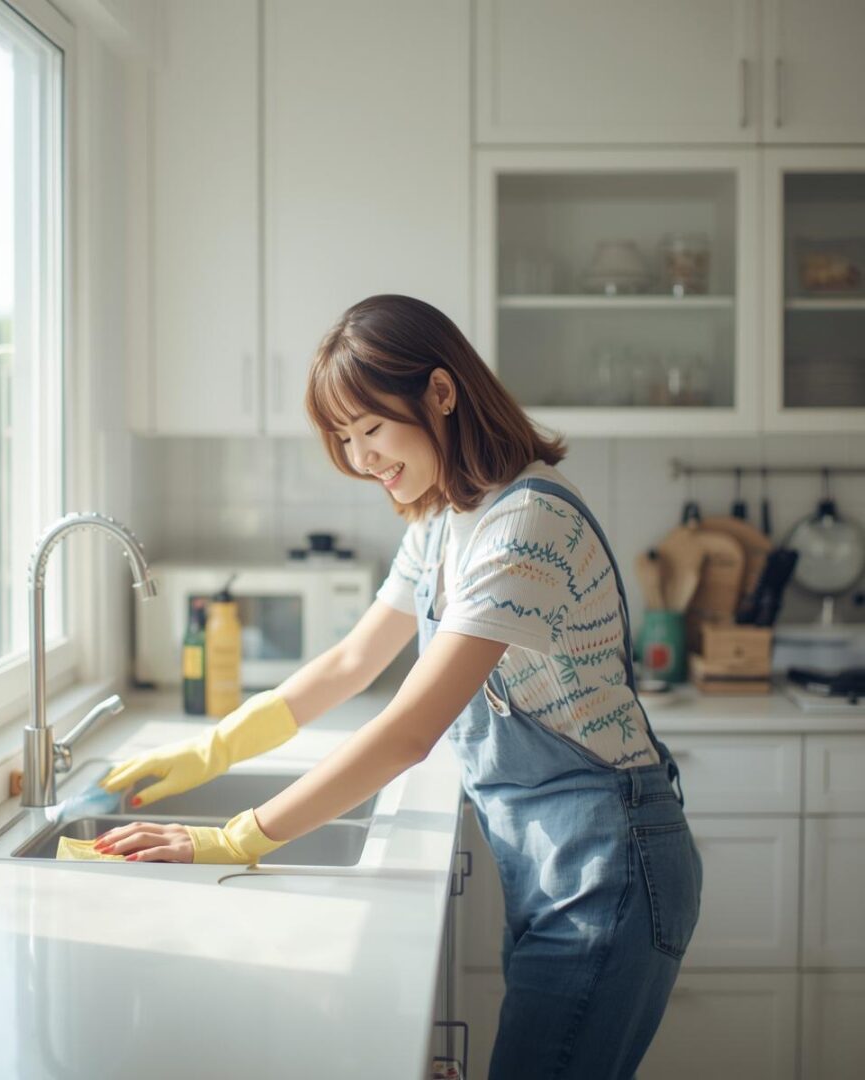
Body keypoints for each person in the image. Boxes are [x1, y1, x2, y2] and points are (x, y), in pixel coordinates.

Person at [94, 294, 702, 1079]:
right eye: (344, 438)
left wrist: (237, 838)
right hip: (555, 864)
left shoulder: (528, 524)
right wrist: (211, 751)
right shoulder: (443, 521)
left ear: (441, 392)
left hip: (609, 867)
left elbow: (409, 732)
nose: (360, 458)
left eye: (371, 428)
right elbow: (353, 661)